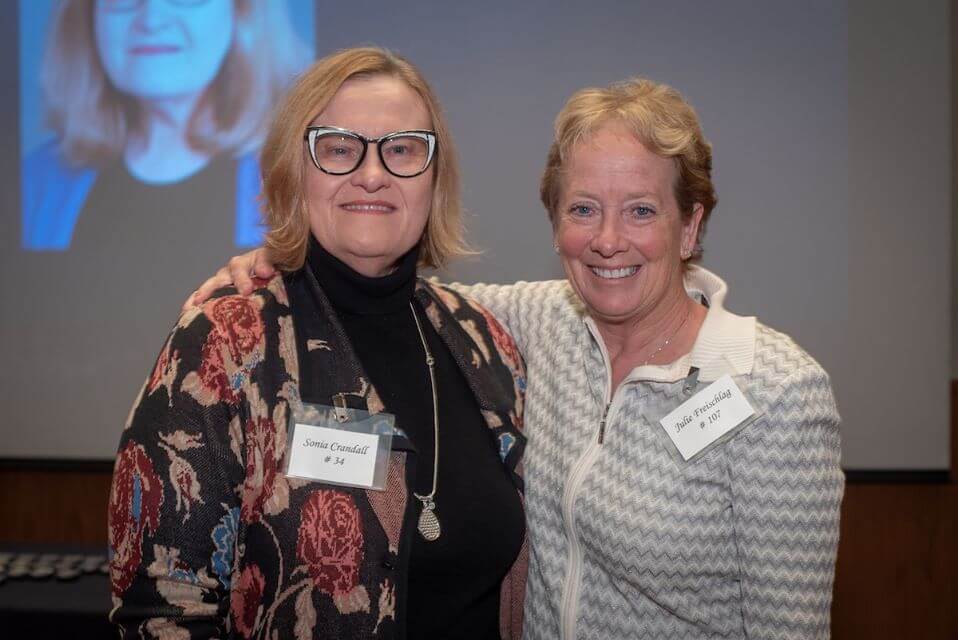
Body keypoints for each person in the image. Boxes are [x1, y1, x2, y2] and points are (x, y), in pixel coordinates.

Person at [197, 76, 844, 638]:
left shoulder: (774, 391)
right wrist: (274, 265)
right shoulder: (533, 324)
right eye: (583, 209)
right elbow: (394, 299)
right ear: (556, 223)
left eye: (642, 211)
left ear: (691, 226)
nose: (609, 241)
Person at [108, 47, 528, 639]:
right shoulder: (225, 345)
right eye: (338, 147)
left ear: (434, 178)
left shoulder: (484, 341)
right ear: (293, 172)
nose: (373, 173)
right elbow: (161, 612)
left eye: (402, 148)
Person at [22, 0, 309, 250]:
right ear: (89, 20)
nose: (151, 20)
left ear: (243, 13)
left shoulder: (301, 172)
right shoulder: (37, 179)